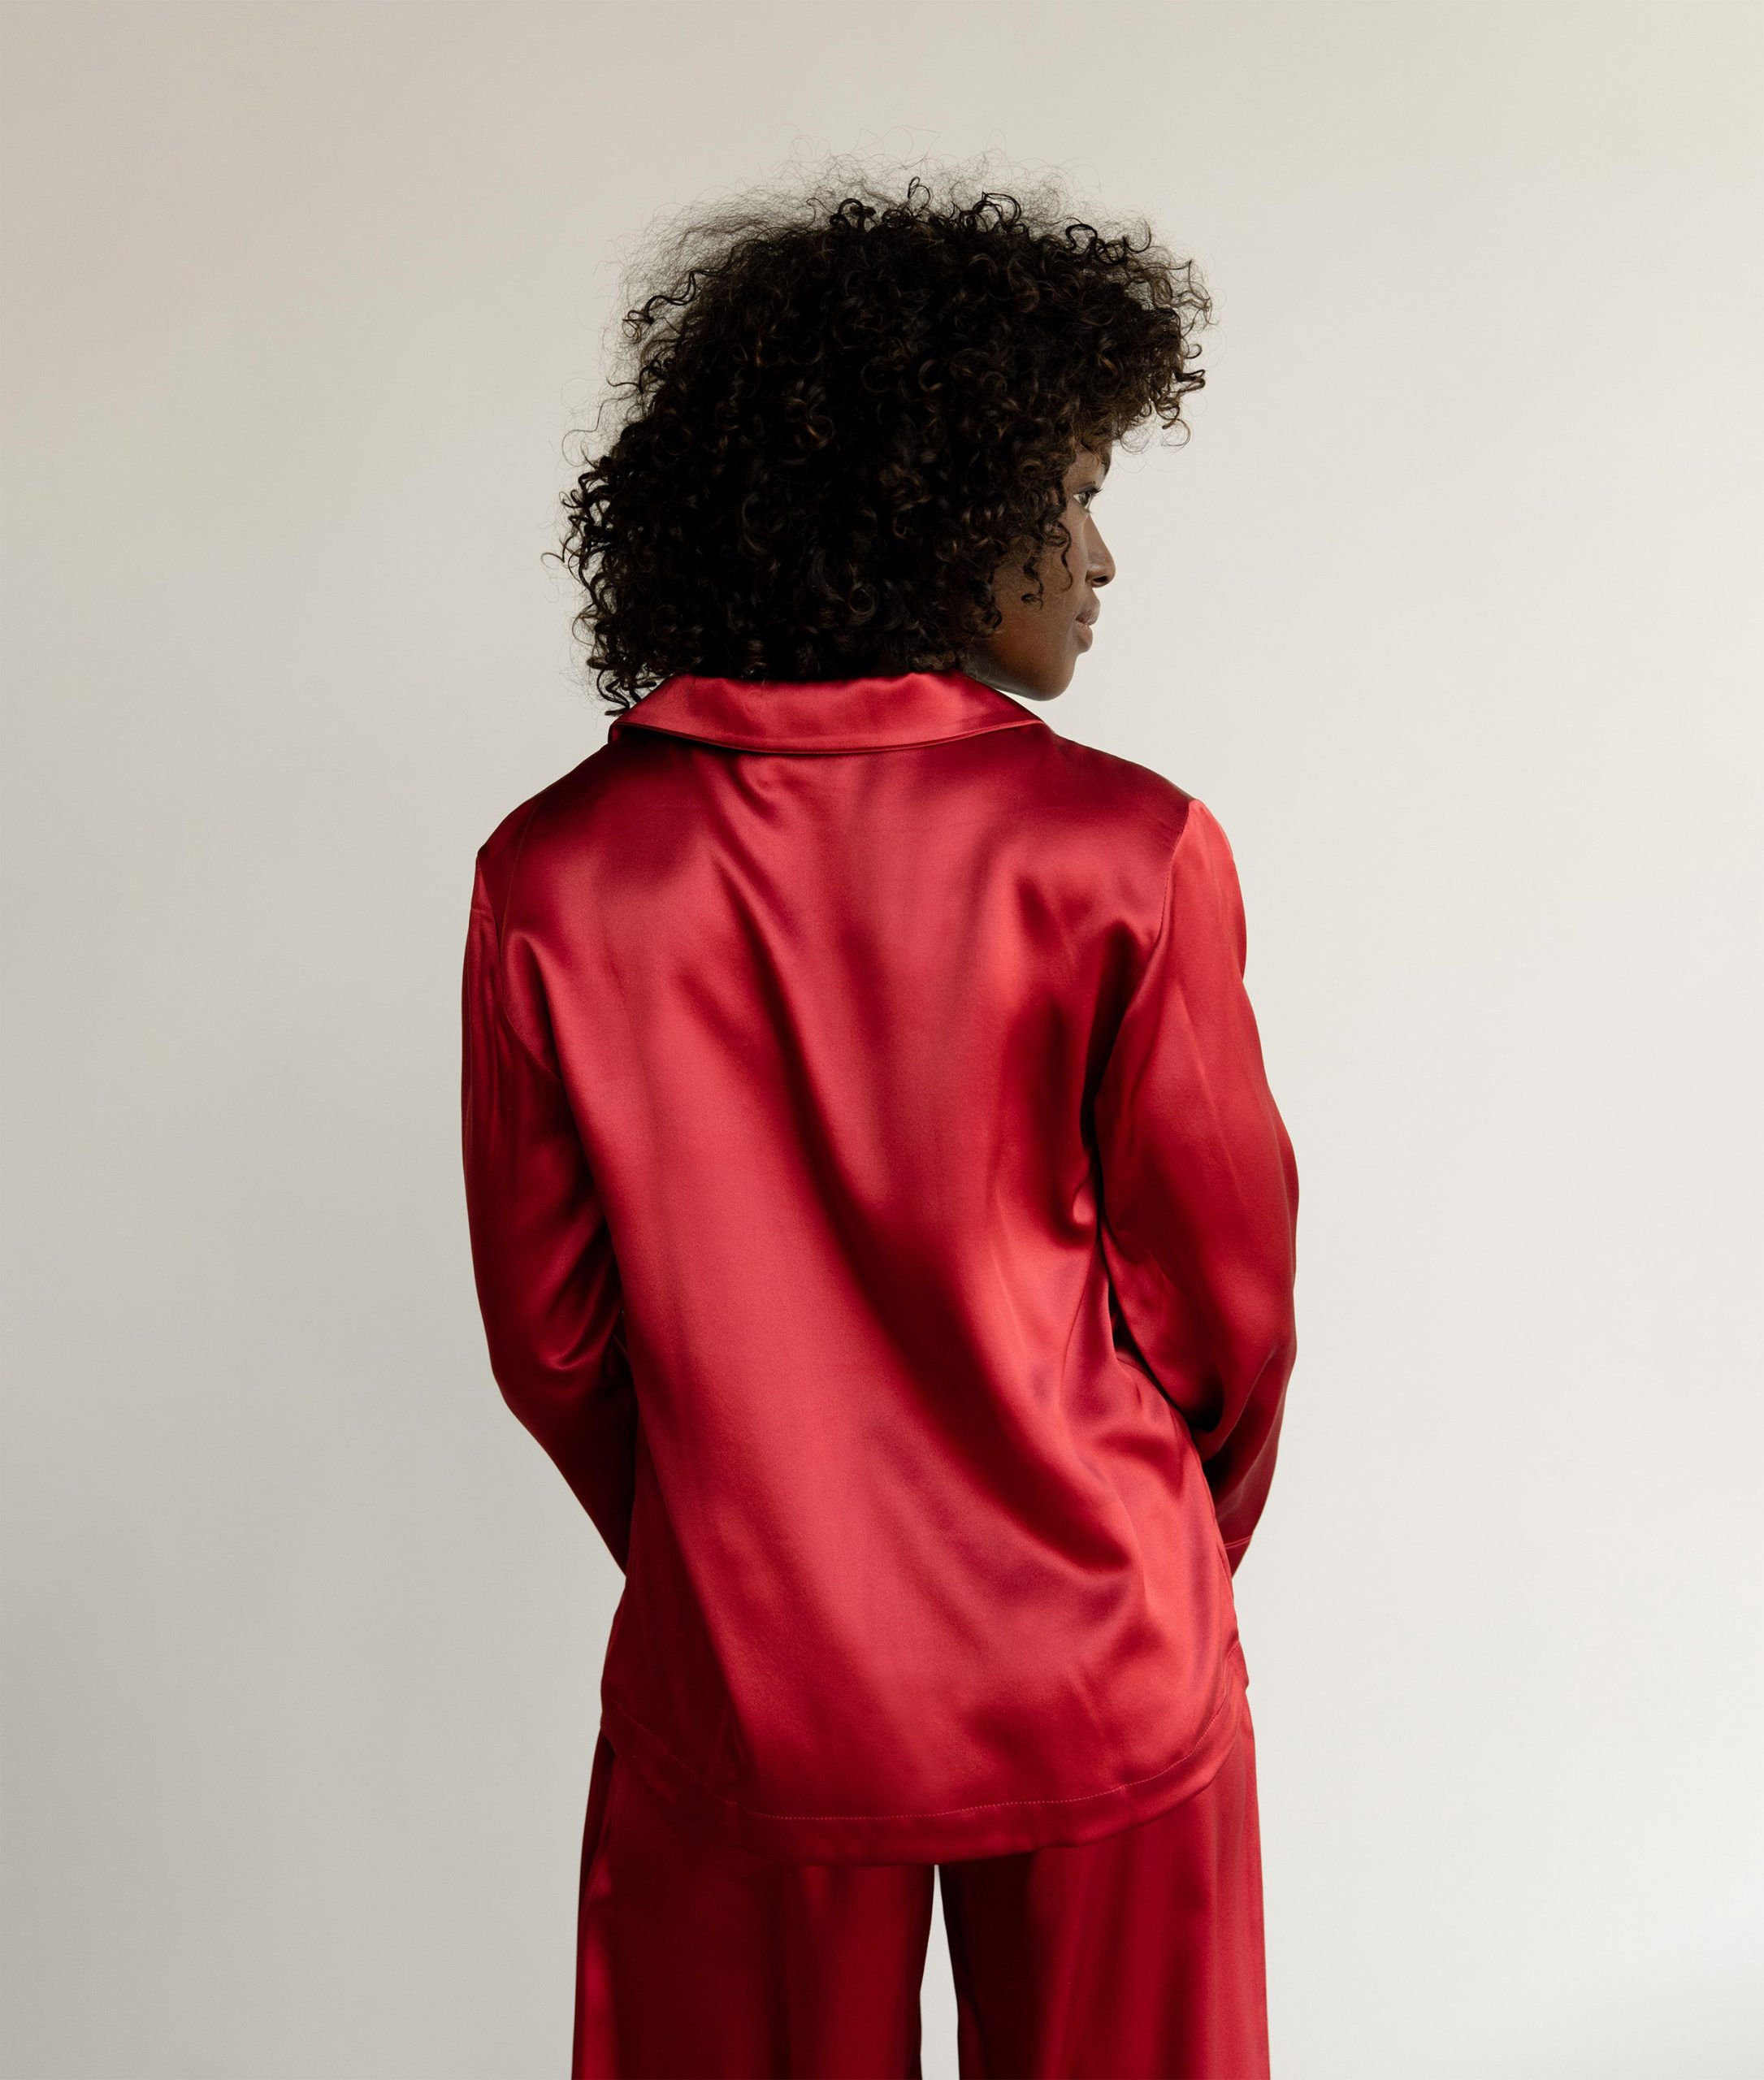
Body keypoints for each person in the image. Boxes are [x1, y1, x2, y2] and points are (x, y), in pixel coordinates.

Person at [462, 168, 1299, 2079]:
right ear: (943, 513)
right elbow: (1228, 1318)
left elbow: (555, 1344)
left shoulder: (555, 874)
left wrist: (748, 1541)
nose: (1102, 557)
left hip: (744, 1685)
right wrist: (1146, 1557)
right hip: (1102, 1663)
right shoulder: (1128, 851)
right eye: (1075, 493)